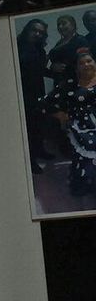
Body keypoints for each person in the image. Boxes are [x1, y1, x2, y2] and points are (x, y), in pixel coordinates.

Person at [40, 46, 96, 195]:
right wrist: (60, 114)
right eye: (81, 63)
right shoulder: (70, 84)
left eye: (89, 61)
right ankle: (85, 183)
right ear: (76, 68)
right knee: (88, 148)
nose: (86, 65)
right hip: (81, 125)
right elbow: (44, 103)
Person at [19, 18, 56, 172]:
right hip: (24, 93)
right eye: (35, 30)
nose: (37, 34)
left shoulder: (39, 48)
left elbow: (39, 70)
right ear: (27, 30)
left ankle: (40, 150)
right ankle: (31, 161)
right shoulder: (17, 45)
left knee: (39, 124)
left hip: (38, 92)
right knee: (28, 127)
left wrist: (55, 72)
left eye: (41, 32)